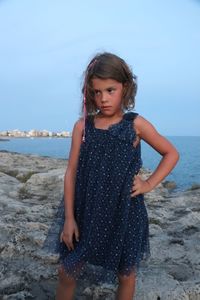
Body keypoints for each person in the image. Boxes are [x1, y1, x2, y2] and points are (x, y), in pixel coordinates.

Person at [55, 52, 179, 300]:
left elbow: (171, 153)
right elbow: (71, 172)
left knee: (126, 275)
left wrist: (148, 183)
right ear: (90, 92)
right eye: (97, 92)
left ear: (126, 87)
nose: (103, 99)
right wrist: (69, 218)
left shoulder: (135, 124)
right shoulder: (83, 127)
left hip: (125, 214)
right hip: (87, 212)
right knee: (67, 271)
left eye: (110, 90)